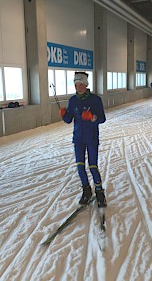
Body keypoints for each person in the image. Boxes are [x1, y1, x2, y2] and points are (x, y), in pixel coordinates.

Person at [59, 72, 107, 208]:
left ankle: (99, 192)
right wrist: (64, 115)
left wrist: (92, 117)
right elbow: (69, 119)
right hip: (78, 138)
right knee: (80, 166)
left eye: (80, 84)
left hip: (91, 138)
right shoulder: (73, 100)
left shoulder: (95, 100)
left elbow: (102, 118)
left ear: (86, 85)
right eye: (75, 84)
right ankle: (86, 191)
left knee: (93, 166)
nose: (77, 87)